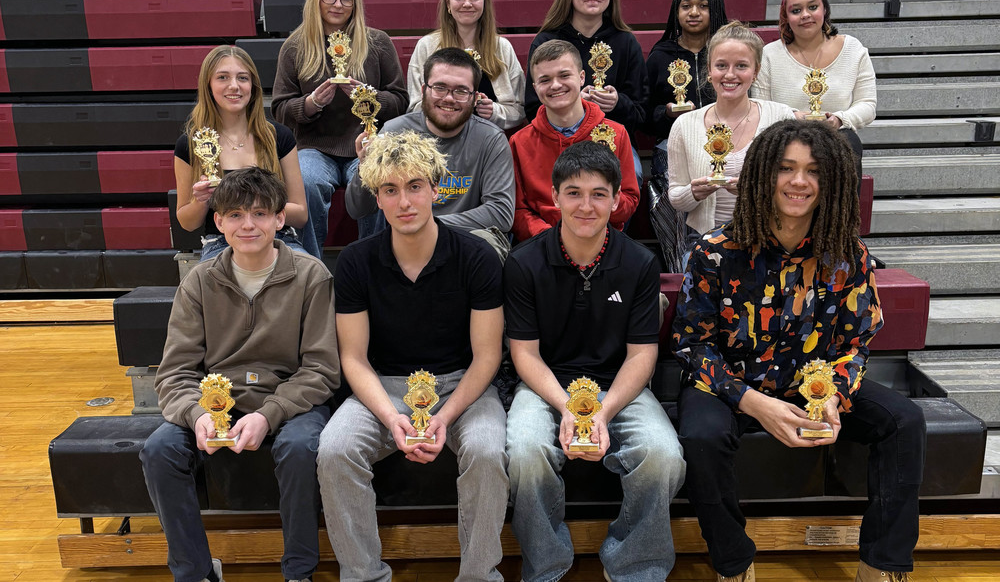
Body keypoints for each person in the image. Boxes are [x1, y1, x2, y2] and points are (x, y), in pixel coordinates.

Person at [672, 120, 925, 582]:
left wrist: (833, 397)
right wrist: (756, 404)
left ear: (831, 181)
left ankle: (881, 567)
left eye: (813, 170)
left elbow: (856, 344)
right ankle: (734, 564)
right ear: (764, 175)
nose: (799, 181)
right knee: (701, 438)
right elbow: (691, 346)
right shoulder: (714, 250)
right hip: (730, 387)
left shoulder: (849, 254)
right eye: (786, 168)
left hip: (812, 383)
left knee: (904, 421)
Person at [317, 130, 508, 582]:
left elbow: (487, 357)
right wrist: (390, 417)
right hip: (383, 386)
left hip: (462, 385)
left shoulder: (478, 257)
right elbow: (354, 359)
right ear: (377, 199)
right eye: (390, 190)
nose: (404, 201)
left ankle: (479, 576)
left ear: (436, 190)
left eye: (414, 186)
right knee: (335, 449)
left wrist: (444, 417)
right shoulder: (355, 262)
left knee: (485, 450)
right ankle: (364, 576)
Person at [141, 167, 340, 582]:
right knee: (159, 450)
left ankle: (299, 572)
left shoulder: (311, 276)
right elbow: (174, 372)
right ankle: (196, 573)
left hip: (291, 401)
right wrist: (197, 415)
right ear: (218, 222)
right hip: (217, 402)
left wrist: (270, 413)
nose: (248, 225)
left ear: (279, 219)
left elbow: (321, 369)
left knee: (302, 449)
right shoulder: (198, 282)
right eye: (234, 215)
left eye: (260, 214)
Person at [504, 141, 685, 581]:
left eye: (599, 193)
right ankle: (545, 565)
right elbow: (524, 354)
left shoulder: (640, 263)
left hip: (618, 384)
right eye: (574, 193)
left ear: (618, 199)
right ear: (554, 196)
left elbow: (642, 355)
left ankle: (635, 564)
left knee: (664, 456)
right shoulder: (524, 263)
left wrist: (603, 412)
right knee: (524, 453)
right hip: (546, 384)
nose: (587, 205)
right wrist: (568, 407)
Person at [272, 0, 407, 257]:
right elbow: (280, 108)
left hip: (367, 144)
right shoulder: (295, 46)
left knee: (377, 176)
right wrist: (311, 103)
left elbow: (400, 101)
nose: (337, 4)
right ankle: (310, 269)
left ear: (355, 2)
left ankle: (375, 265)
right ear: (316, 0)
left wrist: (368, 98)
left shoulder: (378, 42)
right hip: (314, 147)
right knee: (306, 181)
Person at [345, 47, 515, 253]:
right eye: (440, 88)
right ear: (424, 89)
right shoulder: (393, 132)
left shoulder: (491, 139)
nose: (449, 98)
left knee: (486, 243)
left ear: (474, 97)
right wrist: (365, 165)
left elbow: (500, 213)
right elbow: (358, 209)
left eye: (461, 91)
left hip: (466, 244)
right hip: (406, 243)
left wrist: (428, 226)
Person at [666, 21, 795, 252]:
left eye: (741, 66)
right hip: (703, 242)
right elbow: (675, 197)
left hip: (770, 239)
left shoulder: (781, 118)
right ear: (709, 70)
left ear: (755, 72)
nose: (730, 75)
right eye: (722, 65)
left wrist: (752, 190)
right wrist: (693, 193)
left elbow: (795, 187)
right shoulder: (684, 125)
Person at [523, 0, 647, 190]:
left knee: (635, 177)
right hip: (556, 140)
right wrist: (570, 103)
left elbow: (641, 112)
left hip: (610, 142)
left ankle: (611, 228)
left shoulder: (626, 42)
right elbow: (531, 108)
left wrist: (617, 103)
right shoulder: (546, 41)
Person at [174, 45, 308, 261]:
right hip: (220, 243)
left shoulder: (278, 137)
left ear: (253, 86)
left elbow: (301, 214)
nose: (234, 86)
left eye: (243, 78)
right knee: (214, 280)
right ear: (208, 85)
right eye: (223, 78)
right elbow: (187, 223)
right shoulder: (190, 144)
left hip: (278, 238)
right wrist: (201, 201)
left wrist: (258, 209)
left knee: (310, 273)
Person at [510, 39, 639, 242]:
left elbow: (629, 199)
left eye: (564, 75)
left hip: (601, 242)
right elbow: (519, 209)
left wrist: (591, 219)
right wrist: (551, 238)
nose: (555, 85)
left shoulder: (616, 133)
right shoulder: (519, 142)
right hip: (543, 244)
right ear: (535, 88)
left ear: (581, 78)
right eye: (545, 80)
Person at [752, 0, 873, 183]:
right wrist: (791, 116)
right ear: (786, 16)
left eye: (813, 7)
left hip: (837, 140)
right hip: (786, 139)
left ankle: (841, 214)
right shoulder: (769, 55)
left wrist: (839, 119)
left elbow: (868, 105)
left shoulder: (853, 49)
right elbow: (761, 108)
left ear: (825, 9)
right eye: (796, 10)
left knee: (849, 142)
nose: (805, 15)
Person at [645, 0, 728, 271]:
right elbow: (645, 114)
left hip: (726, 145)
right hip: (673, 145)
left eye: (703, 6)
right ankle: (682, 268)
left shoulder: (727, 54)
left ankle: (723, 263)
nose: (694, 12)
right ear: (676, 12)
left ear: (715, 10)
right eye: (687, 6)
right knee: (679, 197)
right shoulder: (660, 56)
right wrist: (667, 112)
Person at [406, 0, 525, 130]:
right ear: (448, 3)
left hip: (488, 142)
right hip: (438, 141)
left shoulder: (502, 48)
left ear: (485, 2)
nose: (467, 3)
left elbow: (518, 110)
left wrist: (494, 112)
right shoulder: (426, 46)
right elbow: (415, 107)